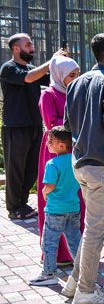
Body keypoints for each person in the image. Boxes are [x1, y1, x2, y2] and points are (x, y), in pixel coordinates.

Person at [62, 33, 104, 304]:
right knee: (95, 232)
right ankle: (87, 292)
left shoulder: (75, 83)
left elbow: (68, 126)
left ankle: (73, 285)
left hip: (79, 164)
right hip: (102, 165)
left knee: (91, 229)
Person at [0, 33, 67, 219]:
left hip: (35, 126)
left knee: (31, 168)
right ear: (15, 48)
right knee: (15, 168)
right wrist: (52, 61)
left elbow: (54, 80)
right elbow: (29, 78)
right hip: (15, 126)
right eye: (28, 45)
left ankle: (22, 204)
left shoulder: (32, 69)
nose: (32, 48)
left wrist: (63, 66)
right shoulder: (8, 69)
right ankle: (14, 208)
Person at [37, 55, 84, 266]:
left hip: (74, 149)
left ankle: (76, 253)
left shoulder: (75, 93)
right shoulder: (48, 95)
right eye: (70, 75)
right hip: (56, 150)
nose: (74, 79)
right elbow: (52, 123)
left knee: (74, 197)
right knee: (56, 195)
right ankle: (56, 255)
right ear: (59, 75)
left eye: (77, 75)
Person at [29, 126, 81, 286]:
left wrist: (44, 192)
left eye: (51, 142)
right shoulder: (75, 161)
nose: (47, 144)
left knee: (49, 242)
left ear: (61, 145)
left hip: (55, 210)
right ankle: (83, 272)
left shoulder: (52, 164)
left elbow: (50, 185)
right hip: (73, 208)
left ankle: (49, 273)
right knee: (75, 242)